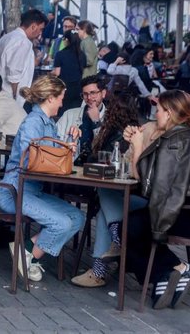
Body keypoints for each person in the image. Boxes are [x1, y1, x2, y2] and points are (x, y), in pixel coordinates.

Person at [0, 75, 84, 282]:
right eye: (61, 97)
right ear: (51, 98)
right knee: (62, 223)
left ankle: (26, 252)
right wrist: (59, 153)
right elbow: (30, 162)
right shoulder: (33, 122)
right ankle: (29, 257)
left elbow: (58, 160)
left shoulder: (48, 124)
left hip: (32, 191)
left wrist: (71, 142)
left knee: (77, 218)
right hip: (14, 191)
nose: (63, 103)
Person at [122, 90, 190, 309]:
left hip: (176, 214)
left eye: (159, 110)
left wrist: (138, 147)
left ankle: (170, 269)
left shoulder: (173, 141)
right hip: (185, 211)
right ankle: (169, 274)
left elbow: (151, 188)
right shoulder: (185, 135)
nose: (155, 114)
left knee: (124, 229)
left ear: (170, 113)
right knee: (126, 226)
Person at [71, 93, 141, 288]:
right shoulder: (130, 131)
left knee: (104, 193)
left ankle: (99, 270)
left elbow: (96, 161)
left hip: (139, 197)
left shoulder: (124, 134)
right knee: (104, 209)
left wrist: (95, 125)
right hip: (125, 195)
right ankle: (114, 240)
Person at [0, 9, 48, 106]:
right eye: (41, 29)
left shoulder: (5, 38)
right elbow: (14, 75)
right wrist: (15, 98)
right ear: (33, 27)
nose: (40, 33)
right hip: (8, 99)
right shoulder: (23, 42)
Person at [56, 75, 107, 164]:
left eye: (93, 93)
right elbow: (55, 141)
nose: (89, 98)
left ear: (103, 93)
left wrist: (96, 122)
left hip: (97, 169)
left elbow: (106, 150)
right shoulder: (69, 114)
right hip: (70, 166)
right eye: (85, 94)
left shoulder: (111, 117)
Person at [52, 31, 86, 115]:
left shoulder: (60, 54)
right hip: (78, 89)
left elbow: (57, 73)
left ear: (67, 40)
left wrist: (49, 74)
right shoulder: (82, 55)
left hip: (64, 88)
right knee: (74, 114)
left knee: (62, 114)